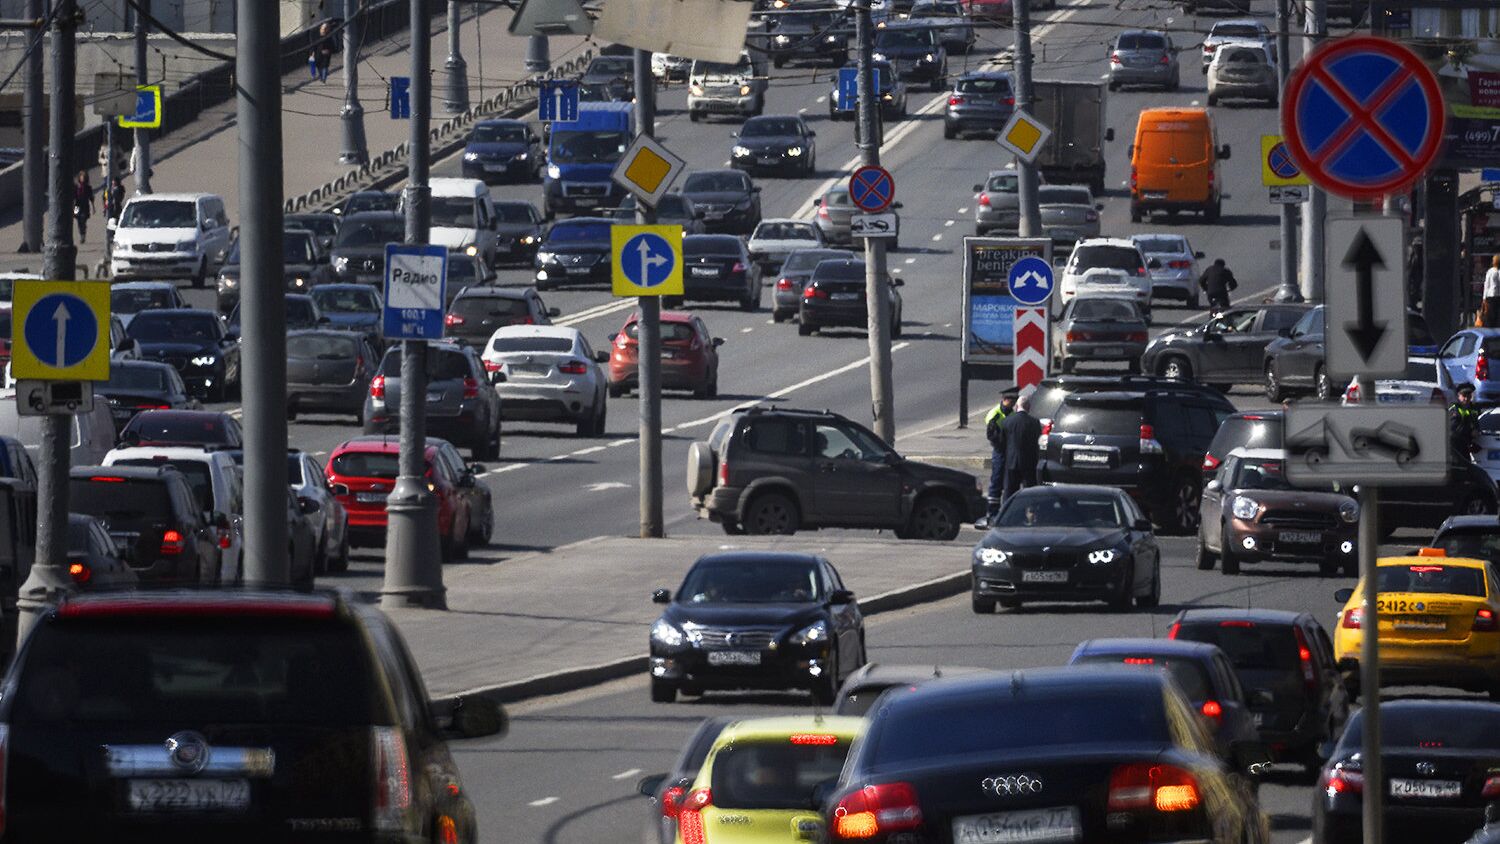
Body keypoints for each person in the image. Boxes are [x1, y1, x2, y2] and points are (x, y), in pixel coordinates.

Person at [996, 392, 1042, 506]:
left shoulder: (1007, 421)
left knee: (1009, 491)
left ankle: (1007, 514)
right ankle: (1031, 512)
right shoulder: (1035, 423)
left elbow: (1001, 442)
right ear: (1028, 408)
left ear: (1017, 407)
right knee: (1030, 491)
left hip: (1011, 461)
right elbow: (1038, 441)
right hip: (1029, 462)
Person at [980, 392, 1016, 524]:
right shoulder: (994, 414)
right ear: (1005, 400)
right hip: (1000, 451)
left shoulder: (1012, 413)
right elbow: (992, 435)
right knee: (996, 481)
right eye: (1011, 400)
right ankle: (992, 513)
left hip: (1009, 451)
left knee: (1009, 482)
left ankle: (1005, 512)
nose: (1013, 403)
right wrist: (1004, 443)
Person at [1450, 382, 1480, 465]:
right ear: (1458, 396)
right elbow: (1453, 429)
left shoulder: (1474, 409)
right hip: (1454, 447)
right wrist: (1470, 432)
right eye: (1464, 396)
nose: (1466, 399)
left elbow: (1476, 424)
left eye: (1469, 396)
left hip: (1465, 446)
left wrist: (1476, 431)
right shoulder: (1454, 409)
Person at [72, 170, 93, 243]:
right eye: (81, 177)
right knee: (78, 219)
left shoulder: (88, 187)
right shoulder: (76, 187)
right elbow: (73, 196)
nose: (82, 178)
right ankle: (81, 233)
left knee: (83, 220)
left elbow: (91, 197)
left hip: (85, 206)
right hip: (77, 206)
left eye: (83, 177)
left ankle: (83, 235)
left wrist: (93, 207)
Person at [1485, 256, 1500, 328]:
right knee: (1492, 313)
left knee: (1494, 313)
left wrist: (1484, 297)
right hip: (1493, 295)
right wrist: (1484, 297)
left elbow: (1486, 284)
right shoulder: (1491, 271)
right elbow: (1487, 284)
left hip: (1494, 295)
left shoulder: (1493, 271)